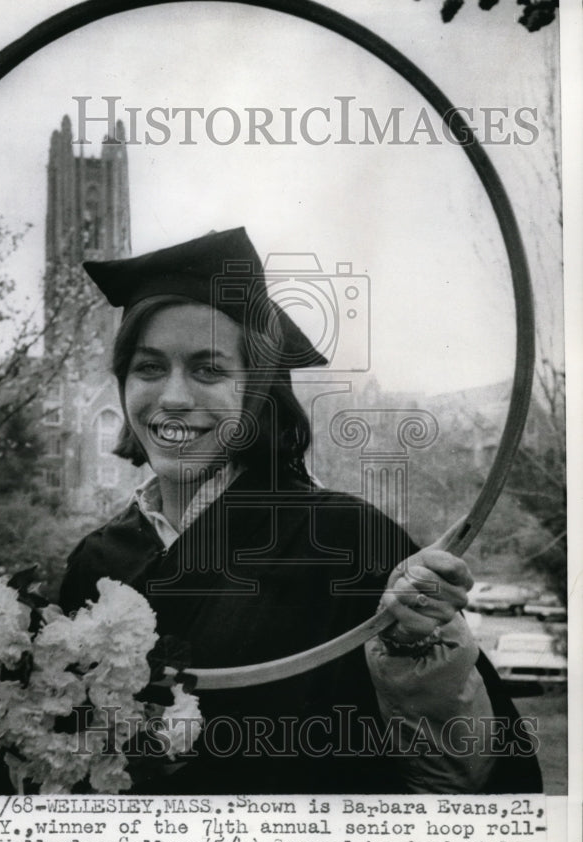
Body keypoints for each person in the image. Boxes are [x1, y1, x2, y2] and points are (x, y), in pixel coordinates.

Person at [54, 227, 540, 795]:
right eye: (149, 368)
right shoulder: (96, 561)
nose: (174, 397)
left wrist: (415, 649)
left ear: (257, 391)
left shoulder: (346, 541)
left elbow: (462, 777)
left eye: (209, 370)